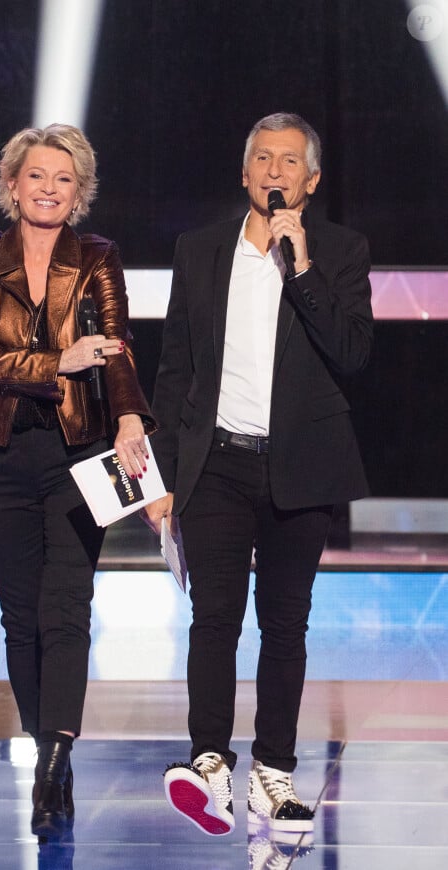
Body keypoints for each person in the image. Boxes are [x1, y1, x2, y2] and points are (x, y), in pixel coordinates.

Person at [141, 112, 373, 837]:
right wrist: (165, 476)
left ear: (312, 180)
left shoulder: (338, 250)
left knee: (285, 623)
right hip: (217, 466)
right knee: (213, 618)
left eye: (289, 161)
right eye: (263, 159)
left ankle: (274, 772)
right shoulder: (200, 249)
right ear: (244, 174)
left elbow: (352, 352)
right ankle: (208, 763)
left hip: (299, 468)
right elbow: (176, 366)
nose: (275, 172)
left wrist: (299, 266)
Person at [0, 123, 155, 840]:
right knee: (21, 616)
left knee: (66, 608)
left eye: (63, 179)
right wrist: (51, 366)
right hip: (0, 453)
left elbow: (116, 346)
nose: (48, 189)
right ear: (12, 184)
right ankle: (48, 754)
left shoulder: (98, 256)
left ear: (80, 192)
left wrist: (130, 419)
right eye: (36, 176)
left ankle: (55, 756)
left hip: (80, 452)